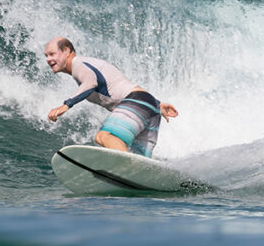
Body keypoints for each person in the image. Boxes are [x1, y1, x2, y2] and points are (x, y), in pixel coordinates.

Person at [43, 37, 178, 157]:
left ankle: (130, 168)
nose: (48, 59)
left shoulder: (78, 64)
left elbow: (90, 84)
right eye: (46, 56)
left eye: (52, 54)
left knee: (104, 136)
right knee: (139, 158)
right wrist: (157, 104)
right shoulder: (87, 64)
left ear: (67, 51)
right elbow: (123, 86)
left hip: (137, 101)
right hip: (149, 105)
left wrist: (67, 105)